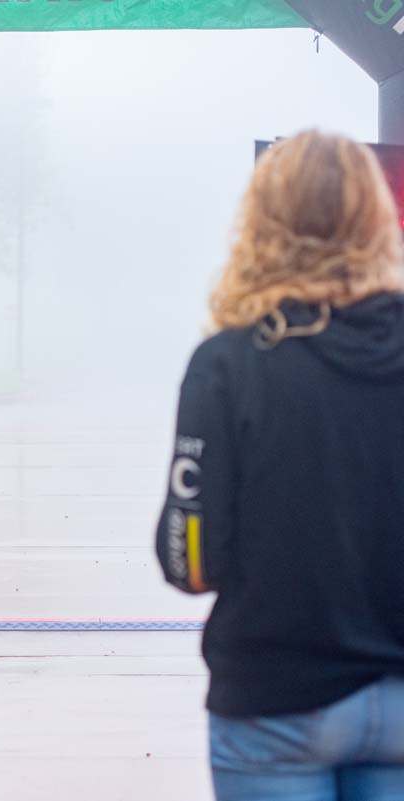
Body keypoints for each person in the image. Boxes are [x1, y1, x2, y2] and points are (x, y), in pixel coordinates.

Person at [155, 130, 404, 801]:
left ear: (261, 221)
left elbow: (191, 562)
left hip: (275, 702)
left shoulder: (229, 363)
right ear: (376, 216)